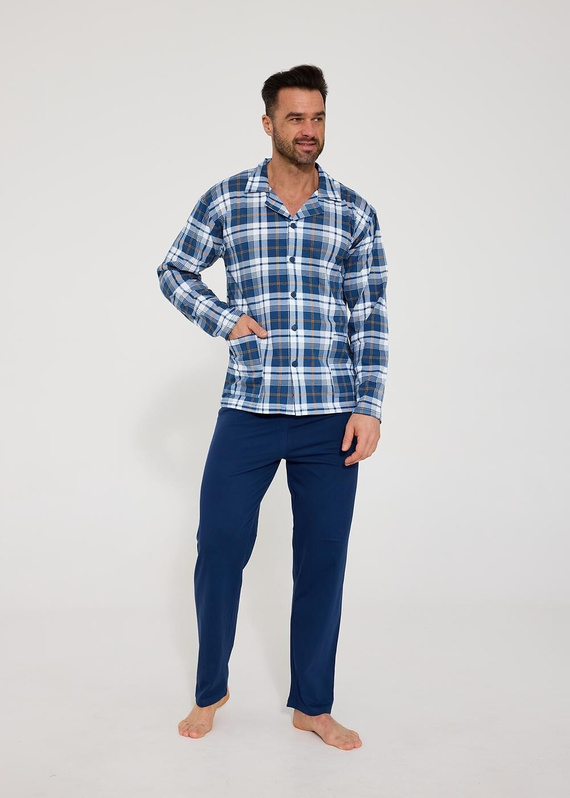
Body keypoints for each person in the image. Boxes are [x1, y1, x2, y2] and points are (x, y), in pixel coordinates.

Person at [157, 64, 389, 751]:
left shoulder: (354, 211)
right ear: (268, 123)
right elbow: (174, 269)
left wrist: (369, 406)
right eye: (295, 118)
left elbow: (370, 313)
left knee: (322, 561)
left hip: (330, 414)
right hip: (250, 408)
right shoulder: (228, 199)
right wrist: (224, 319)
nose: (308, 130)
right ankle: (210, 691)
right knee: (219, 546)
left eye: (317, 118)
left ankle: (312, 705)